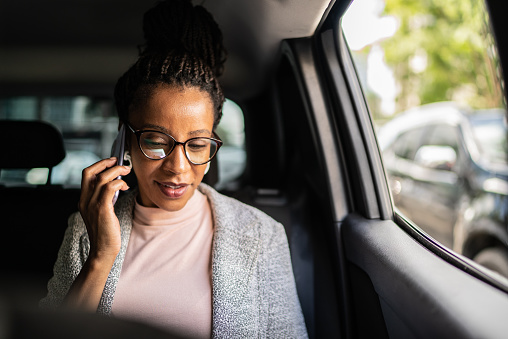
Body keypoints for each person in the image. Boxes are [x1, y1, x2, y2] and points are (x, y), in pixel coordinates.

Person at [40, 0, 308, 338]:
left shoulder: (262, 235)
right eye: (156, 142)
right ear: (125, 141)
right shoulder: (85, 228)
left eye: (197, 145)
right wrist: (100, 256)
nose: (178, 168)